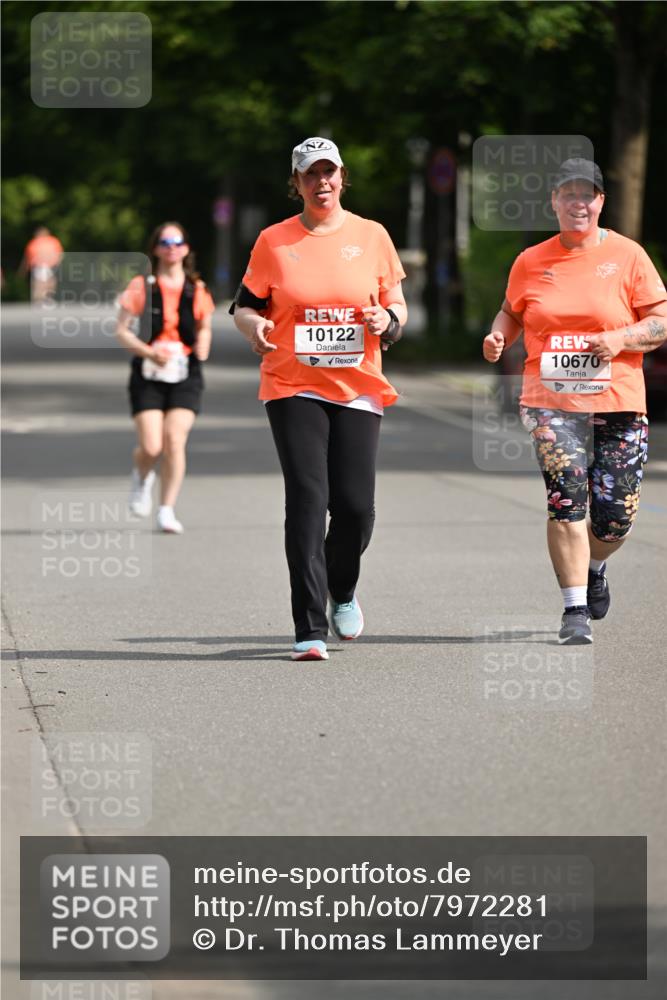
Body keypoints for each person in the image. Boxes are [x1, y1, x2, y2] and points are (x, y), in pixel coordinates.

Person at [233, 137, 407, 661]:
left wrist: (389, 320)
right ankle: (308, 626)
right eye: (311, 175)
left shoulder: (372, 235)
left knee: (354, 508)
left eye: (329, 173)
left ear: (342, 177)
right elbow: (244, 306)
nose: (322, 182)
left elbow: (396, 302)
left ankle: (343, 589)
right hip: (292, 383)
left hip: (357, 386)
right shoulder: (273, 241)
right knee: (308, 500)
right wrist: (254, 327)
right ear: (297, 182)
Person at [483, 158, 667, 644]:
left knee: (615, 516)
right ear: (554, 202)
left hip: (619, 402)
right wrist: (498, 336)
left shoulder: (629, 257)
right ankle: (574, 611)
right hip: (550, 401)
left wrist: (621, 338)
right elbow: (510, 312)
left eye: (587, 195)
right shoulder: (531, 260)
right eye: (568, 194)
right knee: (567, 496)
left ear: (601, 202)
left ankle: (596, 564)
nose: (577, 203)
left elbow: (661, 322)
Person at [116, 221, 215, 534]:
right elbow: (121, 330)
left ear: (186, 249)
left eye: (178, 242)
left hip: (185, 372)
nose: (172, 247)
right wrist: (147, 352)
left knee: (174, 440)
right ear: (156, 248)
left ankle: (166, 509)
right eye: (165, 242)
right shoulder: (141, 286)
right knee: (151, 445)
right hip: (148, 372)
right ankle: (141, 476)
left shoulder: (196, 288)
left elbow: (204, 326)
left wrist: (203, 345)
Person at [19, 226, 63, 303]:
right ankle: (43, 298)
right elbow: (60, 254)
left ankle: (41, 299)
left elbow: (27, 258)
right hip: (46, 265)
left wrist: (24, 270)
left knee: (41, 282)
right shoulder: (52, 241)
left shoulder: (35, 242)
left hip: (42, 265)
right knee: (47, 282)